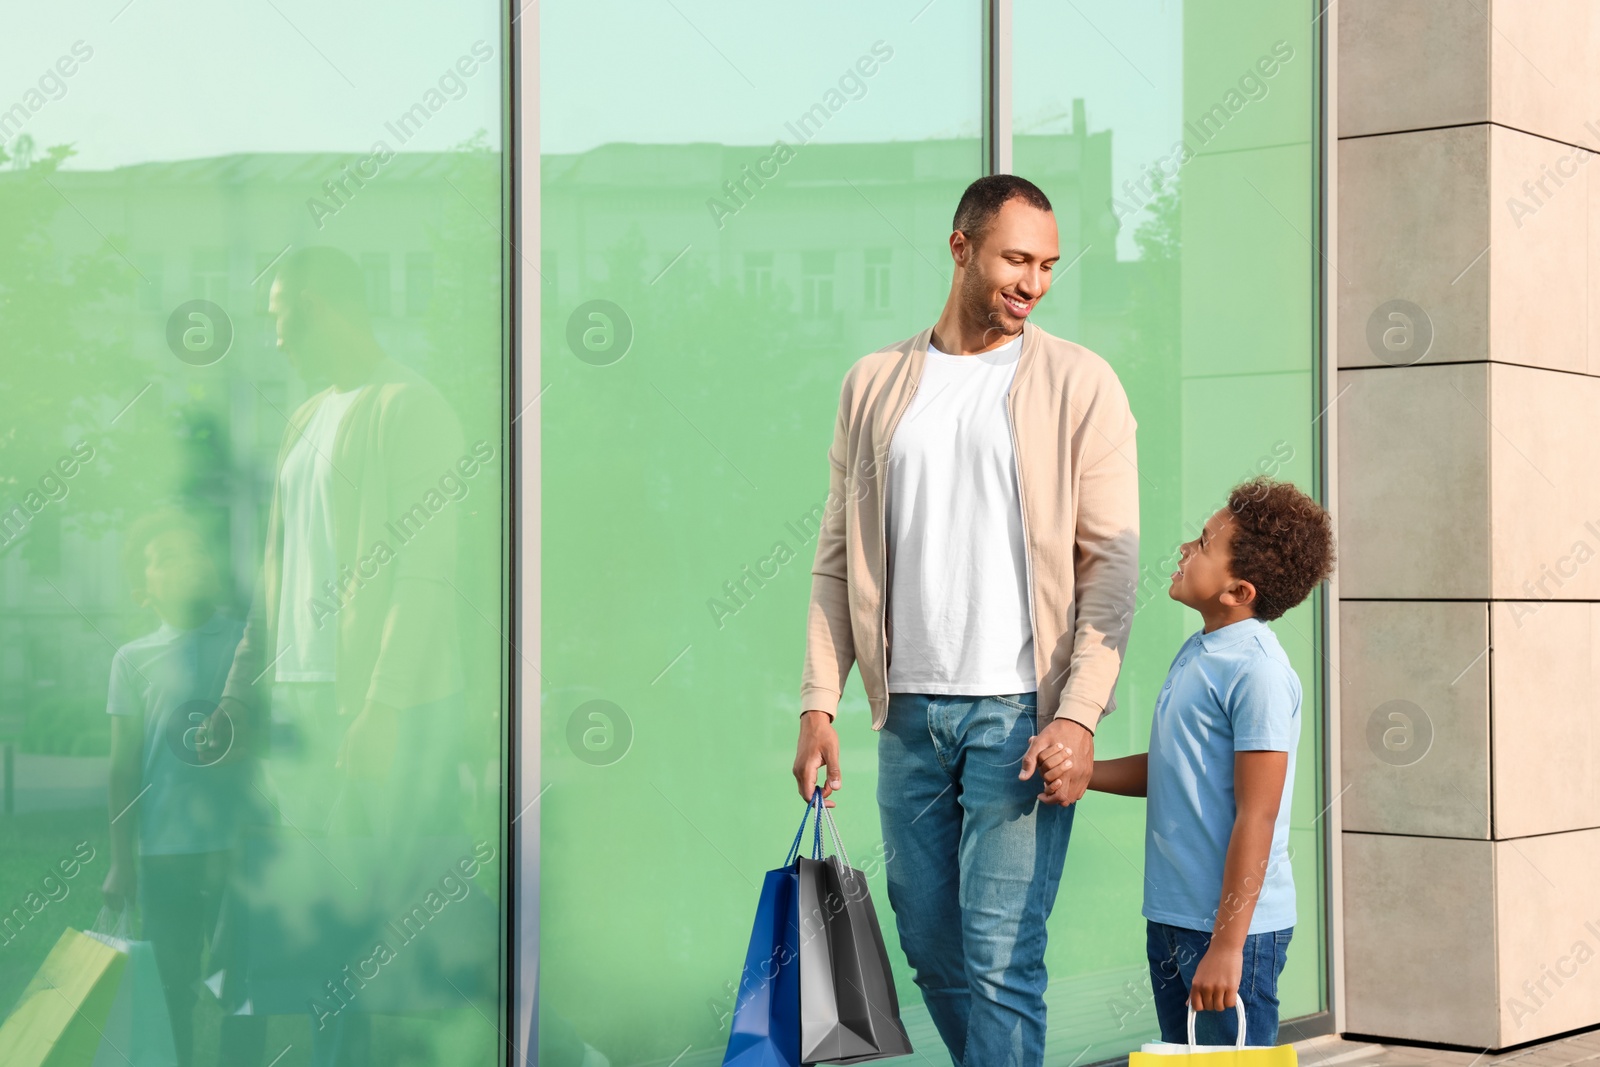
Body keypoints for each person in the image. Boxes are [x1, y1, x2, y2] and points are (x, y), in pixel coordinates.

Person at [791, 174, 1141, 1067]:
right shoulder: (874, 384)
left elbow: (1111, 569)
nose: (1035, 282)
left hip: (1019, 716)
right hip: (907, 715)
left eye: (1049, 265)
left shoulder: (1081, 383)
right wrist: (818, 704)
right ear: (961, 249)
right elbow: (838, 557)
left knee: (1002, 957)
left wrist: (1078, 714)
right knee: (929, 943)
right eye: (1016, 259)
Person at [219, 245, 469, 1066]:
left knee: (393, 935)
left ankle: (559, 1046)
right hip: (301, 706)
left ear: (326, 304)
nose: (277, 336)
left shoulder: (410, 406)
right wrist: (239, 689)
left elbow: (427, 575)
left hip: (371, 707)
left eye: (282, 315)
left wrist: (383, 706)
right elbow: (276, 572)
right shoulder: (306, 417)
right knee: (318, 933)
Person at [1078, 478, 1334, 1046]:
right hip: (1173, 916)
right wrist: (1083, 772)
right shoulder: (1200, 650)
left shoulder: (1258, 672)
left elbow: (1257, 816)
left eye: (1201, 545)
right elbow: (1174, 770)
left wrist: (1227, 946)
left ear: (1237, 589)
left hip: (1230, 933)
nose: (1184, 551)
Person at [103, 508, 267, 1066]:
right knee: (170, 988)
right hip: (165, 857)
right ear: (140, 591)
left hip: (238, 850)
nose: (187, 563)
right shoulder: (132, 660)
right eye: (164, 558)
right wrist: (121, 862)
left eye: (194, 550)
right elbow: (123, 769)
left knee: (241, 989)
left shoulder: (247, 645)